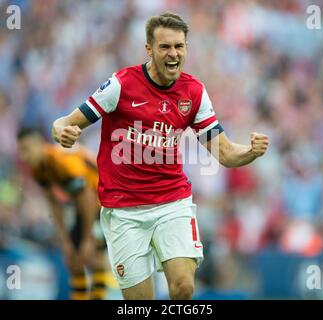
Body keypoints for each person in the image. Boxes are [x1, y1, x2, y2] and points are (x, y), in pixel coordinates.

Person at [51, 12, 269, 300]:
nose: (173, 53)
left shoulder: (194, 92)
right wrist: (62, 132)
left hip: (172, 202)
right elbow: (64, 122)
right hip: (123, 210)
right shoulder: (120, 85)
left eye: (179, 46)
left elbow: (225, 153)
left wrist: (251, 152)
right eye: (165, 47)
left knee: (183, 287)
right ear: (149, 49)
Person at [17, 128, 114, 300]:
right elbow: (53, 203)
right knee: (73, 260)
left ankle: (97, 296)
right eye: (21, 150)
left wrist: (86, 239)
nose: (24, 156)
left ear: (39, 144)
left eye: (27, 149)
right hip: (82, 206)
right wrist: (65, 240)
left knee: (94, 257)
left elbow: (88, 197)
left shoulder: (61, 159)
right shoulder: (38, 168)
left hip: (105, 202)